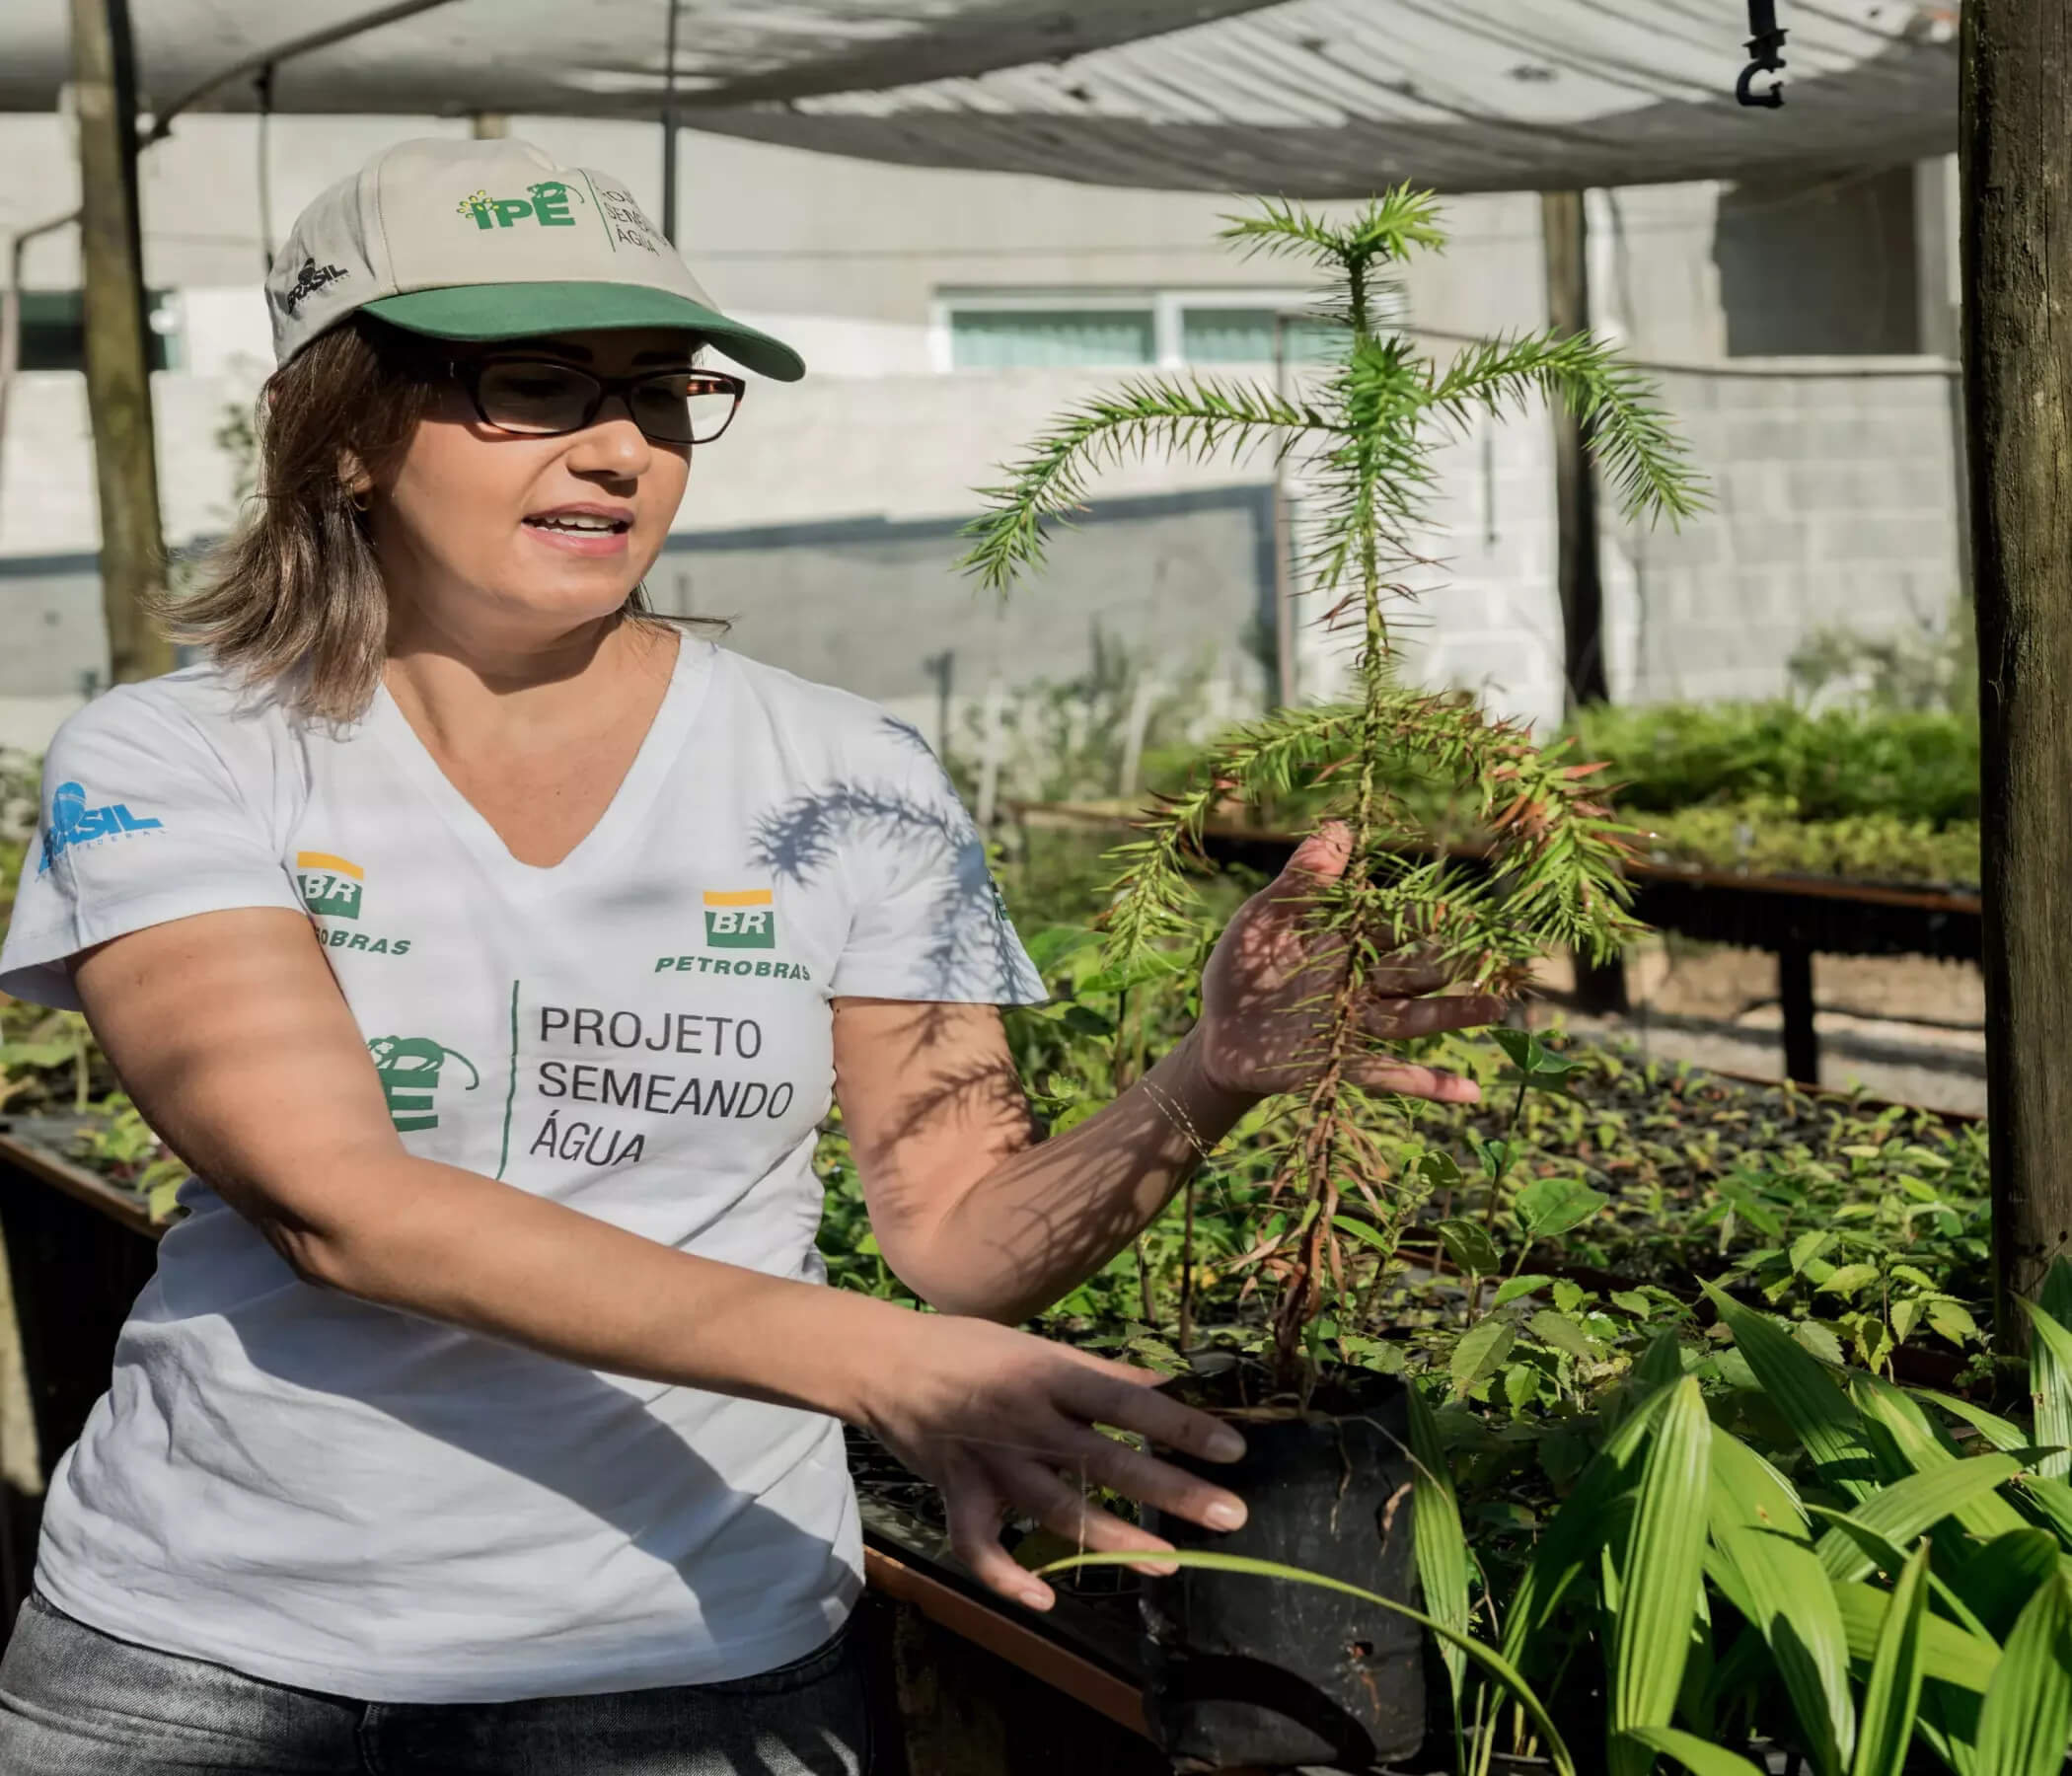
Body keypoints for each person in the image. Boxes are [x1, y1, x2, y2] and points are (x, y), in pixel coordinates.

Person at [0, 137, 1500, 1774]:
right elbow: (333, 1202)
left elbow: (960, 1240)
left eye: (659, 392)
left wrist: (1205, 1081)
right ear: (347, 430)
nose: (619, 447)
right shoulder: (179, 754)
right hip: (216, 1659)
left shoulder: (846, 774)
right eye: (537, 384)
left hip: (696, 1659)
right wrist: (880, 1366)